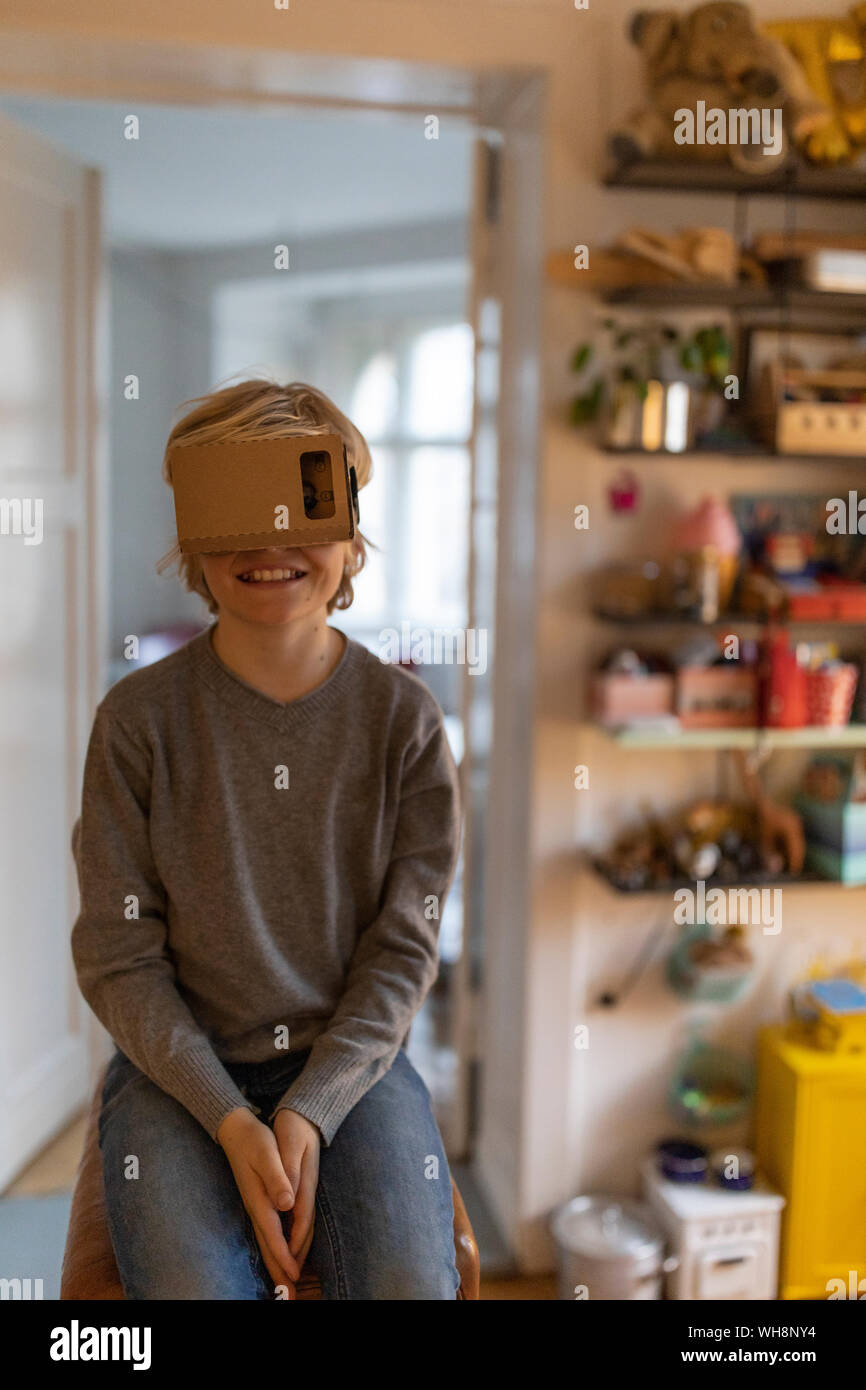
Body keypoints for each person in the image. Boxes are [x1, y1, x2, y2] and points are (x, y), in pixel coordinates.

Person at [71, 379, 462, 1300]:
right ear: (192, 547)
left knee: (409, 1280)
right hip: (177, 1070)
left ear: (353, 536)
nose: (268, 545)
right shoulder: (136, 723)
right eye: (236, 515)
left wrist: (314, 1109)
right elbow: (120, 955)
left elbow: (405, 946)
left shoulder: (404, 722)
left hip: (352, 1066)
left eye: (303, 509)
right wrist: (231, 1120)